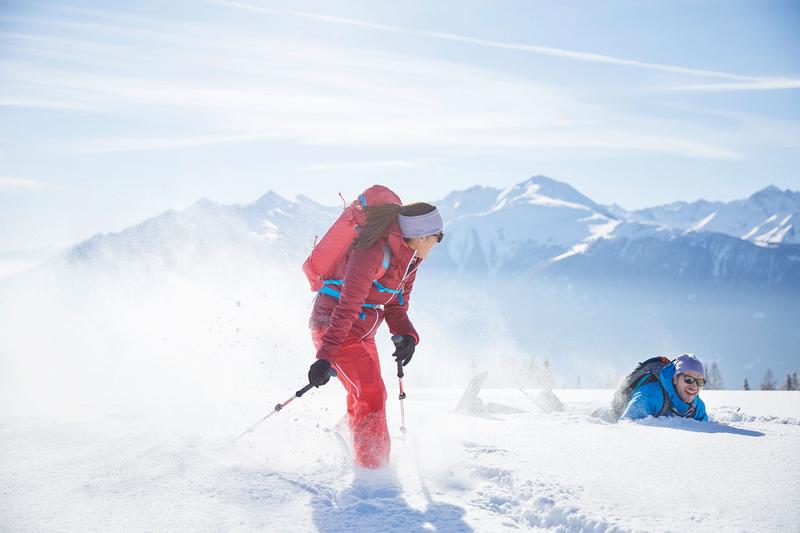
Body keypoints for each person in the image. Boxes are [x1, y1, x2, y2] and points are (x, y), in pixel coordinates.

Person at [306, 200, 444, 469]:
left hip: (360, 332)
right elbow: (346, 307)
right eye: (435, 241)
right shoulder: (372, 253)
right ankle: (373, 472)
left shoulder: (410, 260)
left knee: (367, 394)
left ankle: (352, 446)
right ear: (423, 236)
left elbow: (395, 305)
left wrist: (407, 336)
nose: (434, 248)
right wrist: (325, 358)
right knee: (371, 393)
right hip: (334, 327)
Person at [617, 354, 709, 421]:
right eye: (688, 379)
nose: (694, 387)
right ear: (675, 379)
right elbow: (627, 425)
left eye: (699, 382)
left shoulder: (698, 407)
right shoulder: (651, 395)